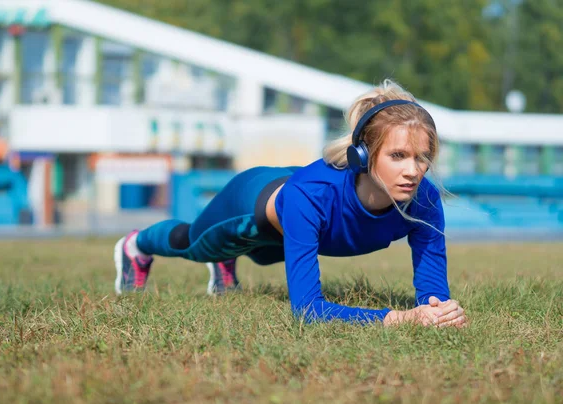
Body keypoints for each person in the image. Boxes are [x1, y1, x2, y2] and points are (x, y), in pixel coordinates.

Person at [114, 79, 468, 328]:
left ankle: (228, 260)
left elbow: (432, 292)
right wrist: (397, 318)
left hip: (293, 222)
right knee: (192, 243)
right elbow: (308, 312)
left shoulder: (424, 198)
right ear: (362, 155)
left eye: (422, 157)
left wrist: (438, 312)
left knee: (266, 255)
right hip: (253, 204)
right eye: (398, 155)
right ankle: (136, 245)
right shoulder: (310, 196)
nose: (413, 170)